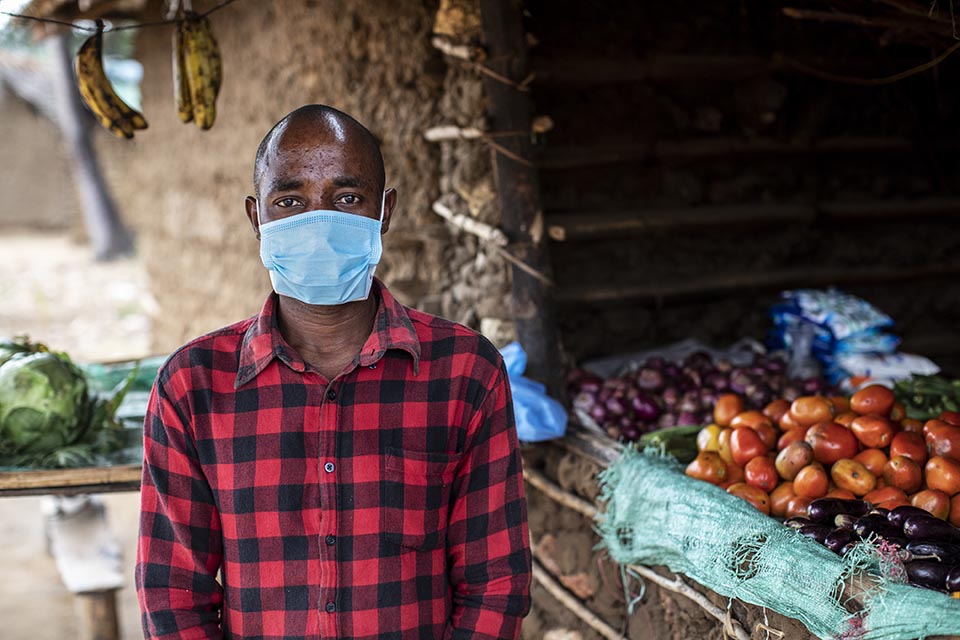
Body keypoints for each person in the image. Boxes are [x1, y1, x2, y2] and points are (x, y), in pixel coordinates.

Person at [135, 104, 531, 639]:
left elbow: (496, 583)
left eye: (347, 198)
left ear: (383, 213)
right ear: (257, 218)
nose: (318, 223)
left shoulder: (465, 372)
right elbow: (172, 594)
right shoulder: (193, 385)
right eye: (290, 201)